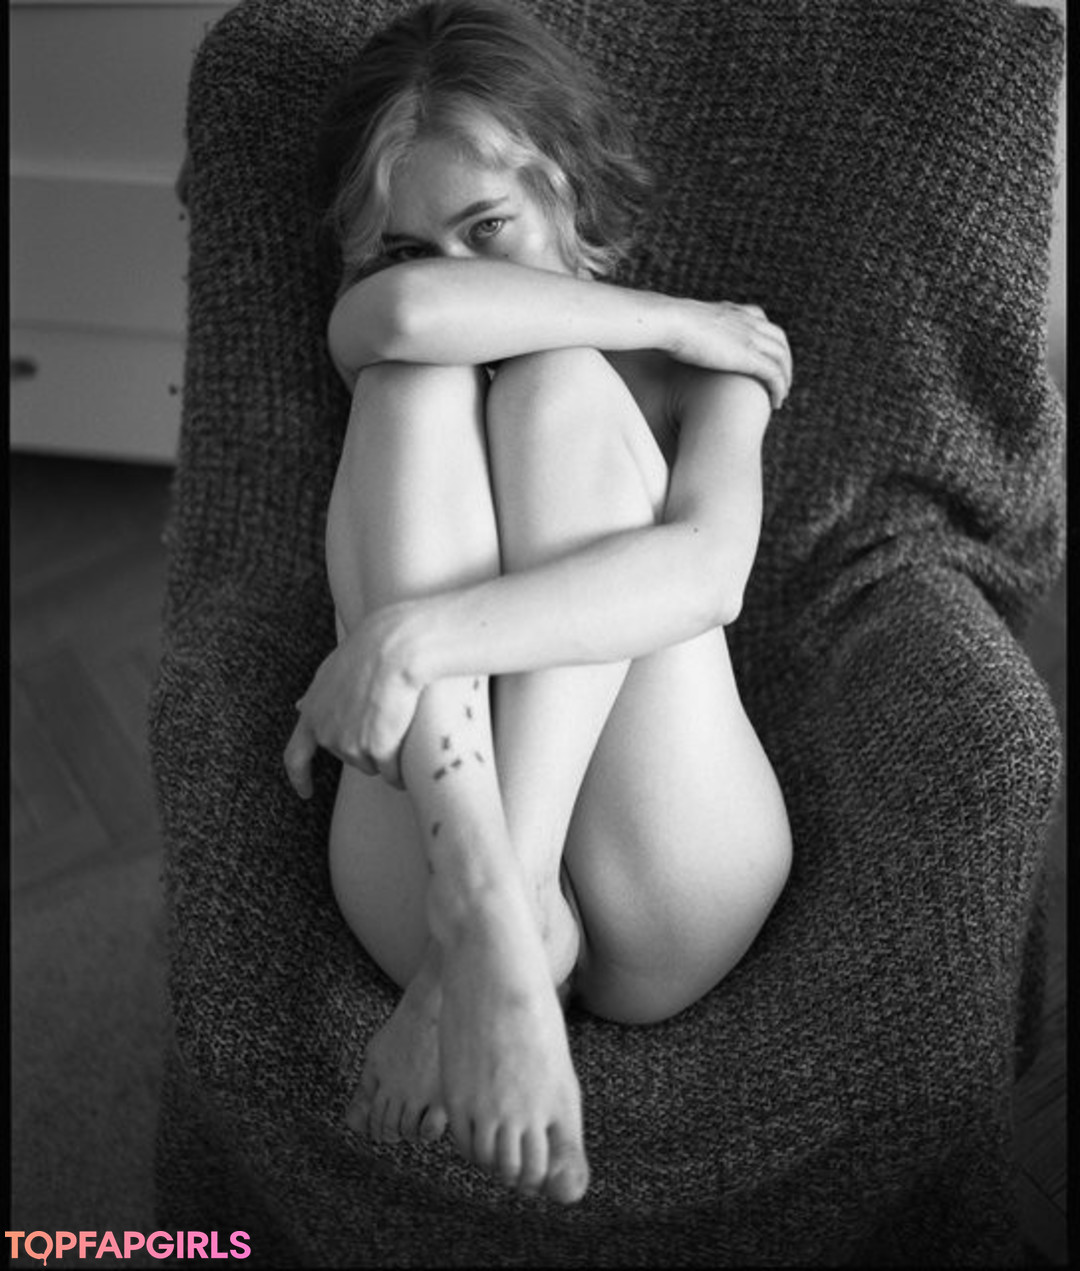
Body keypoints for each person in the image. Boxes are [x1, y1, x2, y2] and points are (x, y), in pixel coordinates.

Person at [284, 0, 793, 1208]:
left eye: (487, 227)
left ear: (569, 187)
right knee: (410, 385)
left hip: (668, 872)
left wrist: (410, 640)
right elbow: (415, 318)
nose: (446, 272)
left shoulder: (702, 380)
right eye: (408, 247)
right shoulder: (394, 335)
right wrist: (673, 314)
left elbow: (707, 575)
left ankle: (502, 911)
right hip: (426, 876)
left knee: (560, 386)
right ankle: (493, 910)